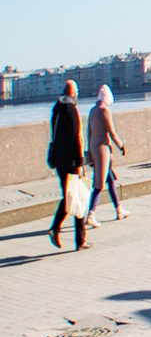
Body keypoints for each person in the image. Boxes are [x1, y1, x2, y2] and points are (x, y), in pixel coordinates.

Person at [47, 80, 89, 247]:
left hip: (59, 160)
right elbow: (75, 138)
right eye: (76, 90)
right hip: (71, 161)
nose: (77, 93)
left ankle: (57, 229)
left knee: (69, 196)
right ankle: (78, 239)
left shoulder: (56, 110)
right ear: (72, 91)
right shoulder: (71, 110)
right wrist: (80, 162)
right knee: (77, 197)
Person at [84, 83, 125, 224]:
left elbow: (89, 133)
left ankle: (119, 209)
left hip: (94, 147)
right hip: (103, 149)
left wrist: (90, 151)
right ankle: (91, 214)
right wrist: (121, 145)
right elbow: (112, 132)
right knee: (99, 183)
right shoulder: (104, 110)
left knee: (110, 179)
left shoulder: (93, 110)